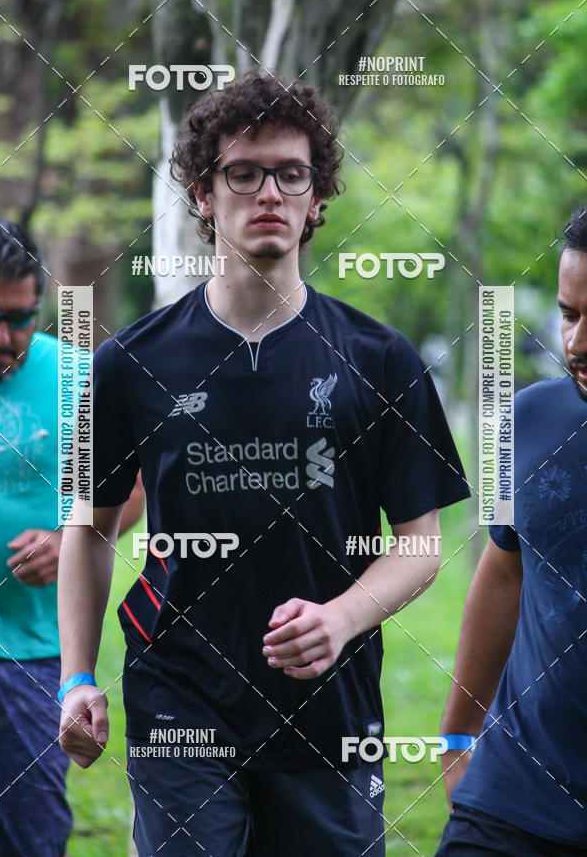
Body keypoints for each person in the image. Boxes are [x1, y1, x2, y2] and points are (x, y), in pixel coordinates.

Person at [58, 71, 470, 856]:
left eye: (291, 173)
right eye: (243, 174)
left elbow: (422, 540)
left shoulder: (382, 361)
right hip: (178, 697)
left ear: (318, 197)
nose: (269, 192)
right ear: (205, 195)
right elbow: (90, 526)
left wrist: (342, 619)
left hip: (331, 710)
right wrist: (79, 678)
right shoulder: (129, 364)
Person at [0, 218, 145, 857]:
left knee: (32, 838)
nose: (1, 337)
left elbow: (134, 486)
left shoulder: (78, 379)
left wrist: (66, 537)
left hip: (24, 653)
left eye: (19, 320)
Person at [436, 207, 587, 855]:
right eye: (570, 313)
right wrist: (457, 737)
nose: (575, 342)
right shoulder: (526, 422)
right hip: (510, 802)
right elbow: (503, 572)